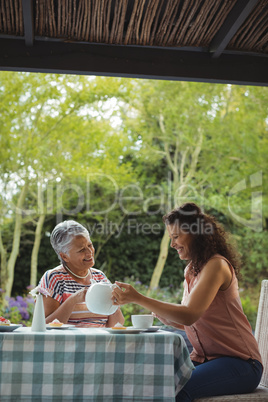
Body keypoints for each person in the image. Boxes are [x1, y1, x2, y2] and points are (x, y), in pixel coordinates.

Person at [112, 203, 263, 401]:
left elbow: (189, 313)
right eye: (171, 238)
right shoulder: (192, 270)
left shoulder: (216, 265)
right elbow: (194, 321)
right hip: (207, 360)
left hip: (241, 364)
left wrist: (137, 298)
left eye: (176, 237)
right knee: (152, 380)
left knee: (174, 389)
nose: (172, 244)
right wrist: (169, 320)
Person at [39, 220, 124, 328]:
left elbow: (116, 325)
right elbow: (43, 326)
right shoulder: (54, 278)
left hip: (100, 343)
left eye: (90, 245)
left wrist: (115, 303)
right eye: (81, 250)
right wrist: (74, 299)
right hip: (69, 344)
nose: (89, 252)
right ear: (65, 256)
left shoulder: (100, 277)